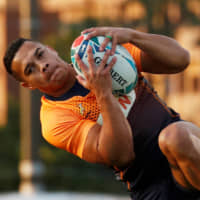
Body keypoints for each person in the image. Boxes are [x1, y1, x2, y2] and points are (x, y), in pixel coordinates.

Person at [3, 27, 200, 200]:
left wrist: (132, 35)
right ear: (28, 85)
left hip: (186, 150)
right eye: (30, 70)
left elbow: (180, 60)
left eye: (40, 54)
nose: (42, 66)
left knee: (175, 136)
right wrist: (104, 93)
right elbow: (122, 156)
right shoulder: (55, 118)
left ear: (51, 50)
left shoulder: (98, 53)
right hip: (149, 186)